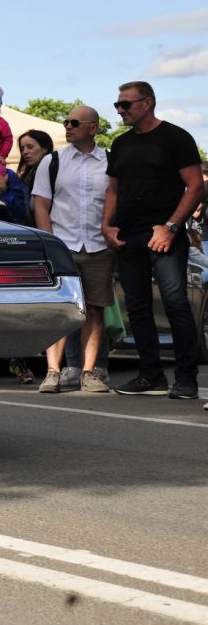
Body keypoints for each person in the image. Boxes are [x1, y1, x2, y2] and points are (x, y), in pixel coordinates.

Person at [104, 81, 204, 398]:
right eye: (117, 104)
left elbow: (195, 187)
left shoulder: (175, 137)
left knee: (175, 304)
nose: (120, 110)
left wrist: (171, 227)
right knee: (137, 307)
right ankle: (150, 375)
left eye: (126, 104)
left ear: (147, 103)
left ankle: (186, 378)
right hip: (128, 236)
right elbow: (114, 189)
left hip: (165, 236)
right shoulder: (120, 143)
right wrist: (107, 226)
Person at [32, 107, 113, 393]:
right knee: (61, 310)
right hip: (62, 245)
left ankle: (88, 372)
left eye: (75, 122)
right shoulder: (52, 161)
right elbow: (41, 204)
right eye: (65, 121)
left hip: (99, 246)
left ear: (93, 127)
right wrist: (50, 243)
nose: (68, 126)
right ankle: (52, 372)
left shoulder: (110, 161)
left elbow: (116, 200)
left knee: (94, 310)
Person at [14, 129, 55, 225]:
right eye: (22, 149)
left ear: (44, 149)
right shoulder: (25, 178)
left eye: (30, 147)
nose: (25, 152)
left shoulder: (54, 174)